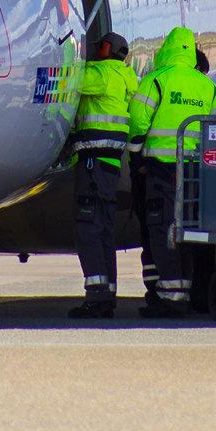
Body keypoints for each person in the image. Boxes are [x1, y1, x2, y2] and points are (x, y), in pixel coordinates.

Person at [127, 26, 216, 317]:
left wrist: (136, 158)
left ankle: (170, 296)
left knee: (161, 229)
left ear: (166, 49)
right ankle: (185, 291)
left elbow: (138, 123)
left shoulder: (156, 80)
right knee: (187, 230)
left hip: (160, 169)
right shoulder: (207, 86)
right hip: (194, 170)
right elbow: (215, 127)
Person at [68, 33, 135, 319]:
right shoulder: (126, 76)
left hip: (94, 162)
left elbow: (72, 81)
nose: (97, 50)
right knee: (105, 228)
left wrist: (70, 54)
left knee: (89, 228)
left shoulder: (102, 74)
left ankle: (97, 296)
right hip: (110, 163)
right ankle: (106, 294)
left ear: (110, 50)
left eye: (101, 46)